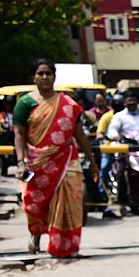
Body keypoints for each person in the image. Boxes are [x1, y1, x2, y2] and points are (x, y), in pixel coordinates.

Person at [12, 58, 100, 257]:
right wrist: (20, 162)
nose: (45, 77)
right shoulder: (25, 104)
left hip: (66, 158)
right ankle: (36, 234)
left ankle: (64, 246)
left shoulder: (68, 104)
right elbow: (19, 134)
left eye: (48, 73)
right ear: (33, 77)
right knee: (35, 203)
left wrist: (92, 162)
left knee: (69, 201)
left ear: (54, 77)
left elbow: (80, 135)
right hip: (38, 162)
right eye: (40, 73)